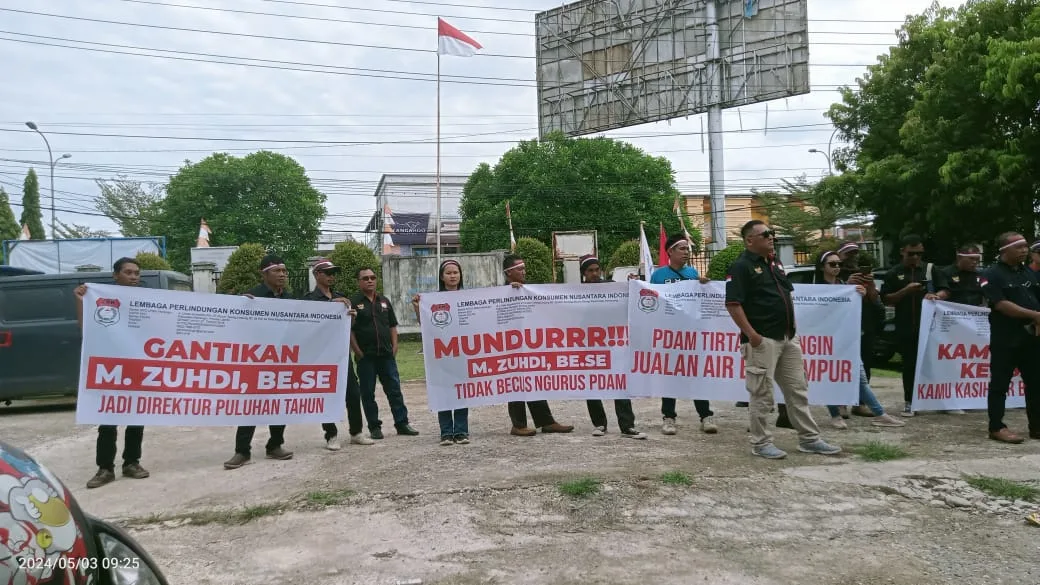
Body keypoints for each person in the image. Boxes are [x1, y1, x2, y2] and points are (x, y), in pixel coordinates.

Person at [725, 220, 842, 459]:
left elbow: (785, 295)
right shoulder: (741, 266)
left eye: (772, 233)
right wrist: (753, 336)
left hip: (788, 338)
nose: (771, 237)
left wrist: (794, 327)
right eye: (766, 234)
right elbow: (733, 304)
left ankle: (809, 439)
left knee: (798, 389)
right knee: (762, 393)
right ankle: (761, 443)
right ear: (749, 240)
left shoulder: (775, 262)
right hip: (762, 341)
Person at [74, 257, 151, 489]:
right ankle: (105, 468)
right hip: (110, 368)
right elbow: (84, 326)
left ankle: (131, 463)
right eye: (128, 272)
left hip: (137, 367)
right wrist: (80, 299)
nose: (134, 277)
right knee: (107, 421)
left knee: (136, 418)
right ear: (116, 275)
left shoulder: (148, 300)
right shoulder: (101, 299)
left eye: (137, 273)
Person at [813, 251, 906, 429]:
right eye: (832, 264)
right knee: (829, 378)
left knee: (859, 377)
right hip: (827, 341)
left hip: (847, 339)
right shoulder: (818, 288)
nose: (837, 267)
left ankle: (879, 413)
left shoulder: (843, 285)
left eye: (838, 264)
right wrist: (846, 290)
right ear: (821, 267)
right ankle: (836, 415)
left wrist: (857, 294)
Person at [224, 254, 297, 470]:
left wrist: (339, 306)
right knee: (251, 405)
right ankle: (242, 451)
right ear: (264, 274)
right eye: (277, 271)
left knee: (278, 404)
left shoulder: (291, 299)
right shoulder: (251, 298)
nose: (282, 275)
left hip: (282, 360)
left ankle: (275, 445)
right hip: (257, 361)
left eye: (284, 271)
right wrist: (240, 306)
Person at [648, 234, 718, 435]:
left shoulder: (693, 273)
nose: (686, 253)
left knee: (696, 374)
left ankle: (705, 415)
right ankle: (668, 417)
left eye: (687, 249)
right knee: (670, 376)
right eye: (682, 249)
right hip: (670, 335)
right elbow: (652, 302)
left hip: (691, 334)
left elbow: (699, 302)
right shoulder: (658, 276)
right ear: (670, 251)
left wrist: (704, 286)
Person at [303, 258, 375, 450]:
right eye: (328, 273)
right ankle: (331, 435)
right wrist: (328, 307)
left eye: (334, 273)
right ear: (317, 274)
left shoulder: (343, 298)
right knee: (327, 394)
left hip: (341, 355)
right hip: (321, 355)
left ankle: (356, 432)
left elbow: (348, 328)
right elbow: (308, 327)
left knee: (353, 392)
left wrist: (351, 318)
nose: (331, 276)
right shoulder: (309, 300)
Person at [502, 254, 575, 436]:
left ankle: (546, 422)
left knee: (533, 382)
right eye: (519, 269)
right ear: (508, 273)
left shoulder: (529, 290)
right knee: (516, 384)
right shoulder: (501, 293)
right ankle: (518, 424)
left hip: (529, 345)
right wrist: (509, 291)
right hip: (510, 348)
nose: (523, 271)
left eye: (523, 268)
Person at [578, 254, 647, 440]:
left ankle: (627, 426)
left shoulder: (613, 287)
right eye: (590, 271)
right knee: (592, 384)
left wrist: (633, 285)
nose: (594, 273)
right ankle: (599, 423)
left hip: (614, 342)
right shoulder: (576, 291)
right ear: (584, 273)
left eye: (596, 269)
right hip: (590, 343)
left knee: (620, 383)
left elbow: (630, 301)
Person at [980, 232, 1040, 443]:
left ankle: (1036, 427)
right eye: (1020, 247)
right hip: (1006, 339)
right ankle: (996, 427)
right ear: (1005, 250)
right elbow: (1001, 304)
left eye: (1026, 246)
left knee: (1035, 383)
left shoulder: (1027, 272)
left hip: (1031, 339)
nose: (1025, 250)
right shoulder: (990, 274)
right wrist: (1035, 316)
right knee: (999, 385)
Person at [351, 267, 419, 439]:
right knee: (367, 393)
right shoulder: (353, 302)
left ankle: (402, 423)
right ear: (358, 282)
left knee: (394, 390)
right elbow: (349, 330)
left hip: (387, 355)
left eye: (373, 277)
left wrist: (395, 347)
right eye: (365, 278)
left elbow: (392, 326)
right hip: (366, 356)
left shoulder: (384, 301)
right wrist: (357, 351)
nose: (370, 280)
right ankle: (374, 427)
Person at [413, 259, 471, 445]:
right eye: (449, 273)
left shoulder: (469, 297)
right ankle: (446, 432)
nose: (453, 276)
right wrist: (417, 307)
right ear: (441, 277)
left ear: (461, 275)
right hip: (441, 353)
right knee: (443, 390)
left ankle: (461, 431)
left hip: (462, 352)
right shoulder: (433, 300)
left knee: (462, 391)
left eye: (456, 272)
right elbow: (425, 324)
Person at [880, 234, 937, 418]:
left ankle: (942, 399)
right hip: (906, 327)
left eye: (919, 254)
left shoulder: (930, 270)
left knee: (936, 364)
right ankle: (909, 401)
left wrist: (936, 295)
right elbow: (887, 299)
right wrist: (905, 291)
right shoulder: (893, 273)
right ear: (902, 252)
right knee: (909, 366)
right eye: (911, 253)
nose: (915, 258)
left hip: (931, 327)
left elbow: (946, 289)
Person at [836, 241, 884, 394]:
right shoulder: (835, 274)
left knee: (865, 362)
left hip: (865, 323)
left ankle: (861, 402)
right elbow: (831, 298)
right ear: (840, 255)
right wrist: (848, 285)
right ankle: (841, 402)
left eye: (855, 253)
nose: (853, 257)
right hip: (842, 326)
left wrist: (869, 285)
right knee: (841, 364)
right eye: (848, 253)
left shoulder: (863, 275)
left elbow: (875, 299)